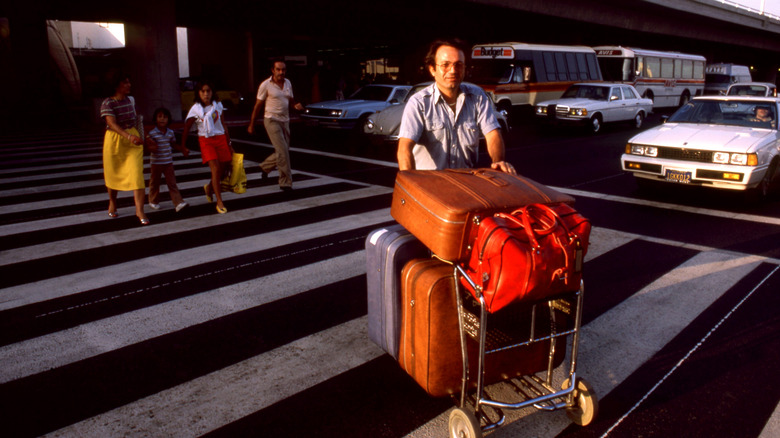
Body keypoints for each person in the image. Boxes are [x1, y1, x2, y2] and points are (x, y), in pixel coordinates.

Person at [397, 39, 515, 174]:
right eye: (445, 65)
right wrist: (412, 184)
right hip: (430, 186)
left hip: (466, 183)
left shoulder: (477, 97)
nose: (453, 70)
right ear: (432, 69)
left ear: (465, 68)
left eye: (458, 64)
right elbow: (404, 148)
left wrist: (498, 161)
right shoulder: (418, 103)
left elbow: (493, 134)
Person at [100, 73, 149, 225]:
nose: (129, 85)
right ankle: (113, 202)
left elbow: (137, 121)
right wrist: (127, 136)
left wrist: (145, 139)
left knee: (137, 174)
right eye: (125, 82)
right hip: (115, 141)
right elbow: (112, 124)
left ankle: (139, 209)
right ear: (116, 85)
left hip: (132, 139)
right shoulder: (107, 103)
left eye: (129, 82)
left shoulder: (130, 100)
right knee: (113, 174)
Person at [248, 60, 305, 192]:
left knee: (283, 150)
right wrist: (252, 124)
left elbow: (290, 100)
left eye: (283, 70)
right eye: (278, 69)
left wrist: (295, 105)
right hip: (271, 120)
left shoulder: (288, 83)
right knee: (283, 151)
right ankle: (285, 182)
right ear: (272, 70)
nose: (281, 72)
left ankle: (265, 166)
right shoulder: (266, 85)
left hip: (285, 120)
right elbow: (258, 106)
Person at [181, 79, 233, 214]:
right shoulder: (195, 109)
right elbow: (186, 128)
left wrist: (229, 143)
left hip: (220, 138)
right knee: (215, 169)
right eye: (202, 91)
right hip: (206, 140)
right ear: (198, 93)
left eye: (208, 91)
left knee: (223, 170)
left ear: (212, 92)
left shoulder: (218, 106)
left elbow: (223, 124)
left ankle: (210, 188)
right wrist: (183, 146)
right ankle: (219, 201)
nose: (205, 94)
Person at [145, 107, 189, 212]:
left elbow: (173, 144)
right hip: (156, 163)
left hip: (168, 162)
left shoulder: (170, 133)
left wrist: (182, 149)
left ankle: (178, 202)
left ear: (168, 119)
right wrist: (151, 146)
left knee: (172, 183)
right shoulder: (152, 133)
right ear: (155, 119)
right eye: (159, 117)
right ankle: (153, 201)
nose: (162, 119)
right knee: (155, 183)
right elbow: (148, 147)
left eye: (165, 117)